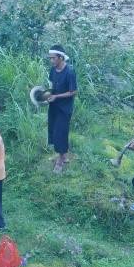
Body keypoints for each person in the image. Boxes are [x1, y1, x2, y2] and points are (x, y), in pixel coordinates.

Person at [46, 45, 78, 173]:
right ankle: (64, 156)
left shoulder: (69, 72)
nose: (51, 60)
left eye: (53, 58)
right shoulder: (53, 70)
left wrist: (56, 96)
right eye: (50, 58)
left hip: (64, 108)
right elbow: (52, 85)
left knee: (61, 132)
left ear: (61, 57)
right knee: (53, 130)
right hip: (53, 106)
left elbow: (74, 91)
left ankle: (60, 161)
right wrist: (46, 94)